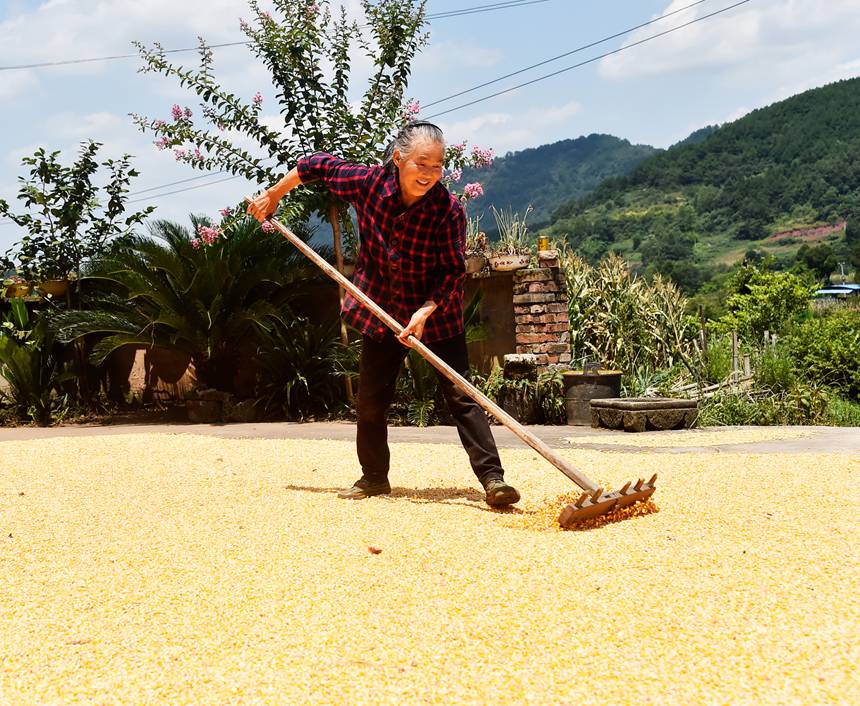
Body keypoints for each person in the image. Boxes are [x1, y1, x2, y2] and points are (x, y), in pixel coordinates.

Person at [247, 121, 519, 507]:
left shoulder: (447, 210)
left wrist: (425, 311)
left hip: (435, 315)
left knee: (461, 395)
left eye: (437, 166)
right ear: (397, 159)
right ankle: (374, 477)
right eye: (421, 163)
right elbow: (315, 166)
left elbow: (452, 272)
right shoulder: (370, 183)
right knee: (372, 400)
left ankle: (493, 480)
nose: (429, 174)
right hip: (382, 310)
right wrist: (272, 195)